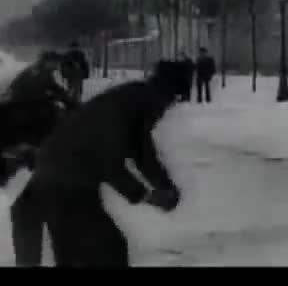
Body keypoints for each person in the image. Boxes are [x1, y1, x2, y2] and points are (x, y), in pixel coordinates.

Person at [10, 60, 182, 267]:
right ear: (165, 93)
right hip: (66, 182)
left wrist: (164, 184)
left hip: (61, 178)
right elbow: (107, 159)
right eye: (173, 100)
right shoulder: (133, 105)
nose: (167, 109)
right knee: (110, 250)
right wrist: (144, 194)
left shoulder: (132, 100)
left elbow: (142, 149)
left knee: (75, 253)